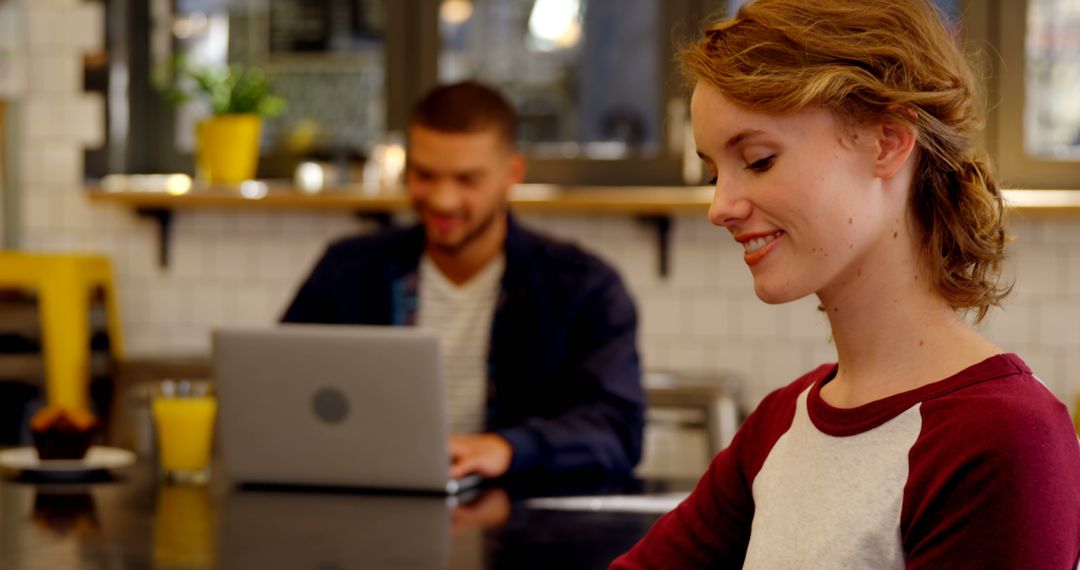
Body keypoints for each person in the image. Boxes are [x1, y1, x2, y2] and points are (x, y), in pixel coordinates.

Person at [612, 0, 1080, 568]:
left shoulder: (1004, 441)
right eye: (715, 172)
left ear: (887, 141)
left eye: (758, 160)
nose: (721, 206)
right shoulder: (782, 420)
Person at [282, 81, 645, 480]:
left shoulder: (583, 287)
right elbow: (280, 391)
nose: (442, 200)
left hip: (519, 525)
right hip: (366, 504)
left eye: (466, 179)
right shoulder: (346, 270)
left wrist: (508, 448)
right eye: (424, 175)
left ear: (512, 174)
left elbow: (617, 431)